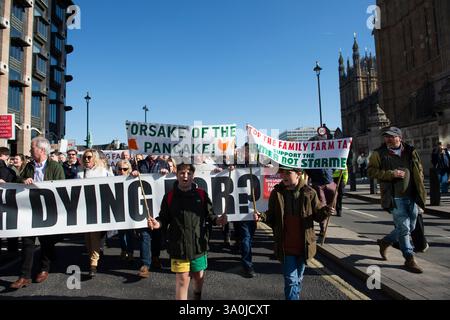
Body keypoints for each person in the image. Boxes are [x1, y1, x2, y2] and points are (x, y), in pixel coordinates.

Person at [148, 163, 227, 300]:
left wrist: (218, 220)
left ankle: (197, 295)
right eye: (182, 173)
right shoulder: (169, 197)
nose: (185, 176)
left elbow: (211, 216)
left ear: (193, 176)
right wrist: (157, 223)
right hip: (178, 246)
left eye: (189, 173)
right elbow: (163, 218)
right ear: (176, 175)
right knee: (182, 280)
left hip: (198, 246)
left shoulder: (201, 195)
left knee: (198, 276)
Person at [256, 166, 334, 300]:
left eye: (288, 173)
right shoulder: (277, 193)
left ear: (299, 174)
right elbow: (272, 216)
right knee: (291, 280)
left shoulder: (310, 192)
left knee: (298, 279)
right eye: (282, 173)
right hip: (286, 245)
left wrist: (326, 211)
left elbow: (317, 215)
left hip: (304, 245)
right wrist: (261, 216)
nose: (284, 176)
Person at [368, 127, 426, 274]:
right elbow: (371, 171)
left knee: (411, 226)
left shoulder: (410, 151)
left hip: (412, 195)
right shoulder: (378, 153)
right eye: (386, 137)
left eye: (391, 137)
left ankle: (385, 241)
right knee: (405, 227)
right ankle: (409, 257)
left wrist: (421, 195)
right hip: (394, 196)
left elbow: (419, 171)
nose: (387, 139)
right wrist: (390, 174)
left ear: (399, 137)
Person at [10, 137, 65, 289]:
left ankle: (44, 268)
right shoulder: (29, 166)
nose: (29, 150)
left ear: (41, 150)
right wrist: (24, 180)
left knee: (46, 242)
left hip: (47, 211)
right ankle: (24, 276)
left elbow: (61, 187)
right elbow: (19, 179)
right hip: (30, 210)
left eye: (32, 148)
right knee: (27, 242)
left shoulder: (56, 167)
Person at [77, 149, 114, 277]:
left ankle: (93, 264)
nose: (86, 159)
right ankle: (92, 258)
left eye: (89, 157)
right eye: (84, 157)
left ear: (95, 159)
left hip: (99, 210)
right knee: (87, 238)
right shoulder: (80, 174)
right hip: (84, 210)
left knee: (94, 236)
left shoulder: (104, 173)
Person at [115, 160, 136, 261]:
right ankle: (124, 250)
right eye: (120, 169)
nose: (122, 171)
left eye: (125, 169)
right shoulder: (112, 179)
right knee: (121, 233)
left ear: (129, 169)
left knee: (130, 233)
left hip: (130, 209)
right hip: (119, 209)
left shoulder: (132, 178)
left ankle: (130, 252)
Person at [0, 148, 19, 255]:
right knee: (11, 227)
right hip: (9, 204)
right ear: (6, 156)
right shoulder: (9, 171)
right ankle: (12, 252)